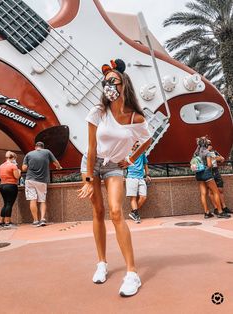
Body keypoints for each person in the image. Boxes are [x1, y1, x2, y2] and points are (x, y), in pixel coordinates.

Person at [78, 59, 152, 297]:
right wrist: (89, 180)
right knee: (98, 211)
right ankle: (102, 263)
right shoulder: (98, 111)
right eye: (105, 82)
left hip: (114, 167)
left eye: (113, 81)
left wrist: (130, 160)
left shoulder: (136, 118)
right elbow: (90, 149)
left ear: (124, 84)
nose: (108, 85)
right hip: (92, 162)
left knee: (117, 212)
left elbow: (147, 141)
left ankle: (132, 273)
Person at [22, 142, 62, 227]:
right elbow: (56, 162)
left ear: (35, 147)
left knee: (32, 199)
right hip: (42, 180)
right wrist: (58, 167)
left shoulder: (29, 154)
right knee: (42, 200)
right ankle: (42, 219)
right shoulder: (47, 152)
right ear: (42, 147)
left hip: (30, 180)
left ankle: (35, 220)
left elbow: (24, 168)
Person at [193, 136, 230, 219]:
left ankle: (206, 213)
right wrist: (207, 168)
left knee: (203, 194)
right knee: (216, 192)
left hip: (198, 174)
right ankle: (220, 212)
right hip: (207, 174)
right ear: (206, 144)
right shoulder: (207, 152)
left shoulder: (196, 152)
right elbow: (209, 165)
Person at [126, 141, 151, 223]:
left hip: (141, 178)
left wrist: (148, 175)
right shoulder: (126, 153)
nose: (136, 144)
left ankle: (133, 212)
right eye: (135, 143)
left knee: (143, 197)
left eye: (137, 143)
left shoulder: (141, 153)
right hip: (131, 177)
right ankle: (136, 215)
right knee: (133, 197)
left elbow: (145, 164)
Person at [207, 140, 233, 215]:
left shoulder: (214, 151)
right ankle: (216, 208)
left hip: (216, 171)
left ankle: (224, 207)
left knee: (220, 189)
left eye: (210, 143)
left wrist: (215, 158)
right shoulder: (203, 152)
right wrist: (214, 158)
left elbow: (222, 159)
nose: (210, 145)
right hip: (208, 171)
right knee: (211, 191)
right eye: (208, 144)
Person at [0, 151, 21, 227]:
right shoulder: (13, 166)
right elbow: (17, 177)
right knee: (9, 204)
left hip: (2, 186)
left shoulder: (1, 166)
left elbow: (0, 177)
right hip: (11, 186)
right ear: (13, 158)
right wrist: (19, 171)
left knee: (5, 203)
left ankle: (1, 222)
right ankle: (8, 222)